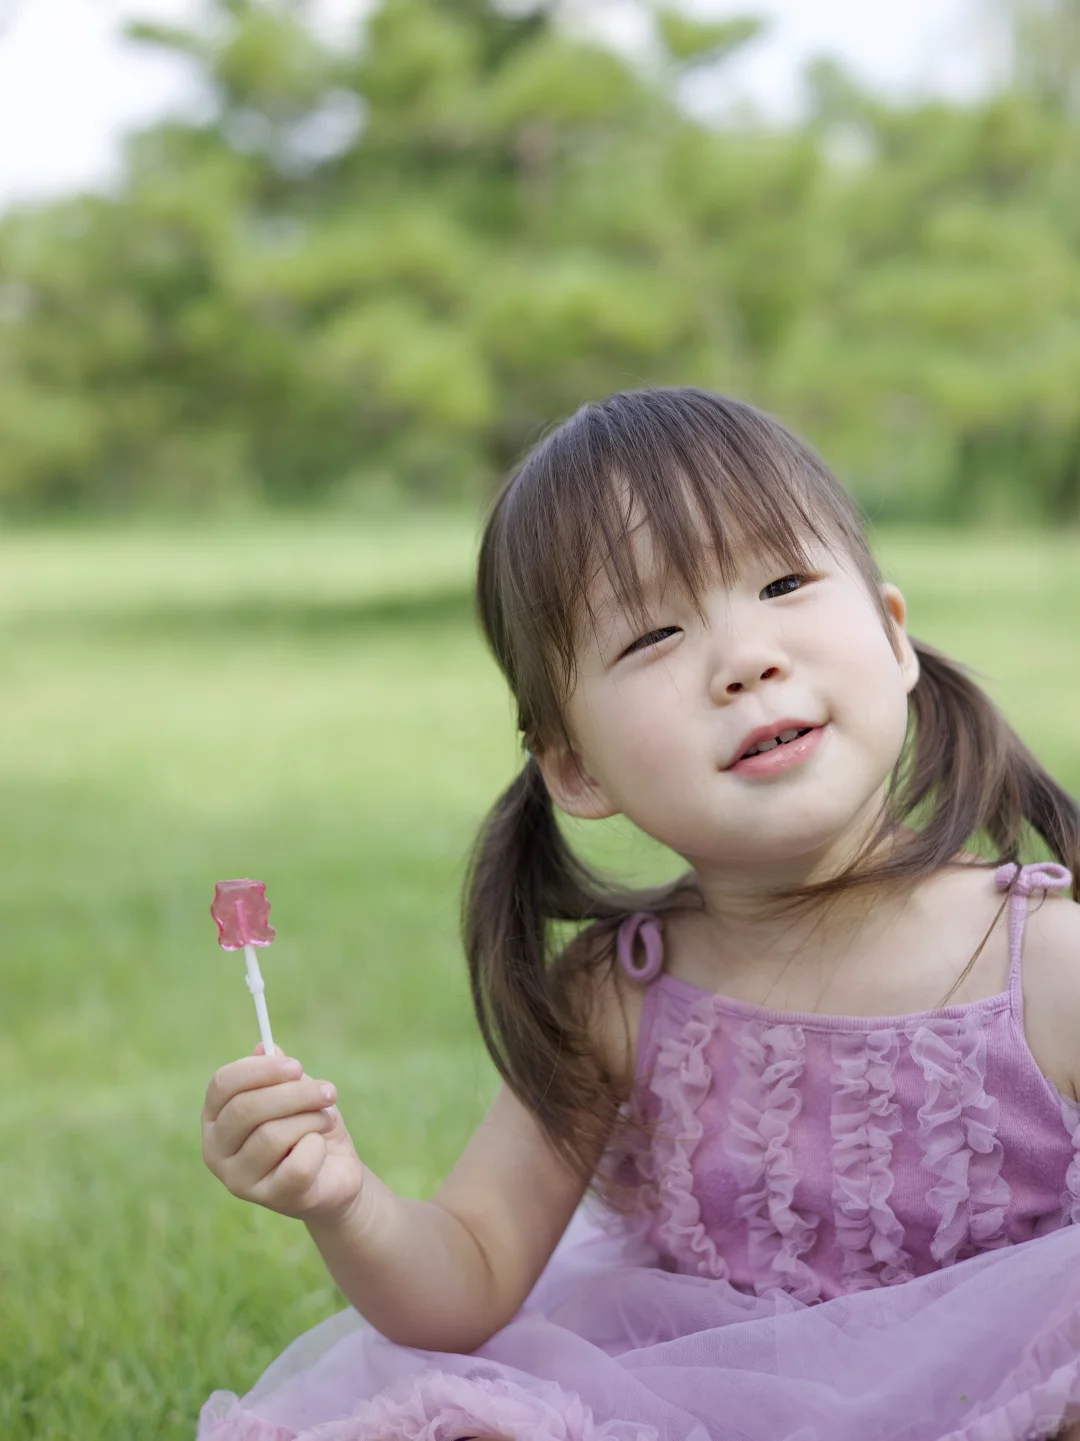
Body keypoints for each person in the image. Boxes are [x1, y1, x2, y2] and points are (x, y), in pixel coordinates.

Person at [197, 388, 1080, 1441]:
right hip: (702, 1408)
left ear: (896, 640)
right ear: (574, 765)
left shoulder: (1048, 959)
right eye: (654, 633)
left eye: (785, 580)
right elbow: (469, 1280)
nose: (748, 659)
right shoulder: (623, 993)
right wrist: (342, 1199)